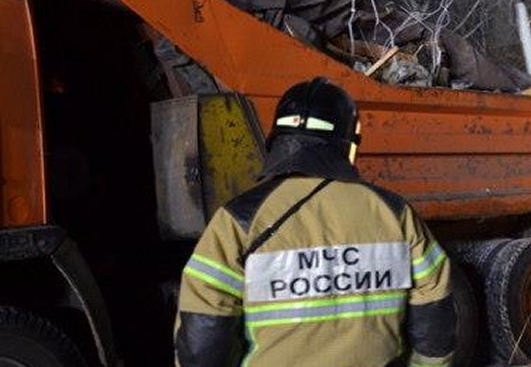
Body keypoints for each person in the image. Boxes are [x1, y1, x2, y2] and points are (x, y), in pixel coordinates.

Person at [174, 77, 454, 366]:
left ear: (276, 140)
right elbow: (435, 317)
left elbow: (202, 338)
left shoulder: (237, 219)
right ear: (348, 144)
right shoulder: (394, 212)